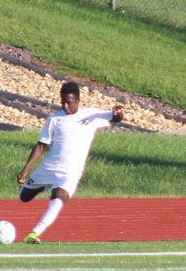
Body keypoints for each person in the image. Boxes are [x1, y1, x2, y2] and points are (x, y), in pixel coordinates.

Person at [17, 81, 124, 244]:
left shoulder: (91, 115)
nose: (65, 106)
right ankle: (42, 185)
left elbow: (116, 118)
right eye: (63, 102)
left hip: (70, 173)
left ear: (78, 101)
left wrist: (119, 113)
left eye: (69, 102)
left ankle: (33, 234)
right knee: (23, 198)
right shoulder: (54, 119)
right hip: (48, 168)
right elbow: (41, 145)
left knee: (58, 198)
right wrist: (26, 169)